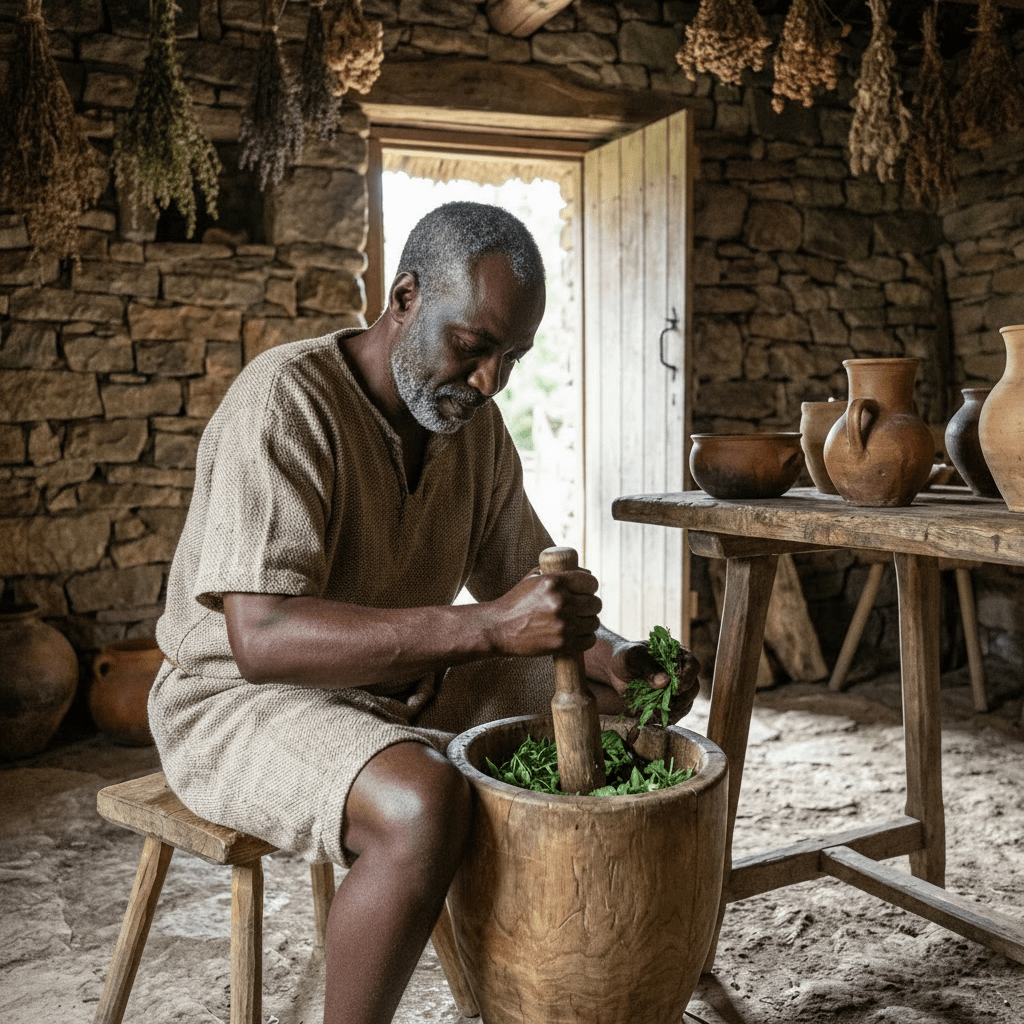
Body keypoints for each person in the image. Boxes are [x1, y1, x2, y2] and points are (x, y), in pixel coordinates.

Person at [149, 201, 700, 1024]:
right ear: (404, 297)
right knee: (423, 801)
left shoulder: (474, 430)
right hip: (235, 701)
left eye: (512, 357)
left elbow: (525, 587)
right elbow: (260, 638)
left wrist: (614, 654)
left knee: (613, 709)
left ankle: (563, 980)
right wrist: (483, 629)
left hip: (397, 683)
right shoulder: (285, 400)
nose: (490, 382)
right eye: (474, 347)